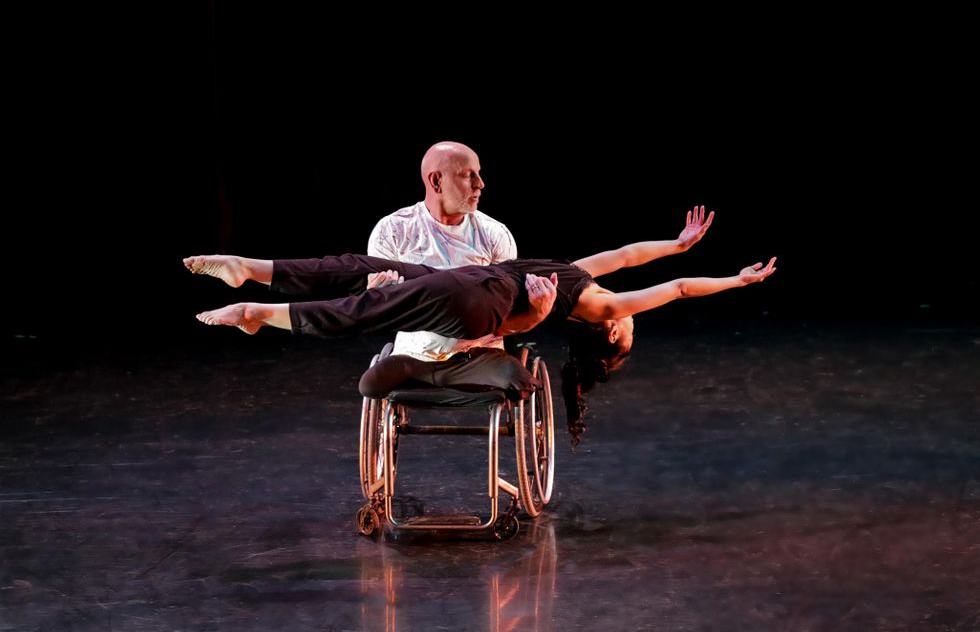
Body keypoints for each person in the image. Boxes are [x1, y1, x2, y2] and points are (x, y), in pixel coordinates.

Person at [184, 209, 776, 444]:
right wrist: (675, 244)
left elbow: (670, 289)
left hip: (481, 296)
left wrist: (734, 281)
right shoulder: (579, 277)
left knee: (372, 306)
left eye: (628, 328)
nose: (631, 322)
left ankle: (259, 312)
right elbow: (627, 255)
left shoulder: (600, 309)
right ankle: (252, 273)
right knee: (367, 269)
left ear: (612, 333)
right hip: (476, 285)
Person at [361, 140, 546, 400]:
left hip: (478, 355)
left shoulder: (494, 235)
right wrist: (376, 300)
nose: (480, 184)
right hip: (414, 354)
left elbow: (504, 318)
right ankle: (421, 369)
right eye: (468, 175)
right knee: (370, 386)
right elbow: (382, 310)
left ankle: (451, 373)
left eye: (478, 174)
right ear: (437, 181)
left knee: (519, 381)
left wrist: (535, 314)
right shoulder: (393, 231)